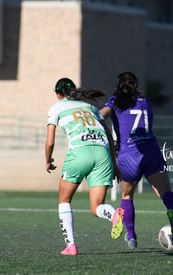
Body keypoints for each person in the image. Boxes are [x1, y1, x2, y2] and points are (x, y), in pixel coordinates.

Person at [100, 71, 173, 249]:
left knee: (127, 195)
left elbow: (100, 116)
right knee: (165, 192)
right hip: (151, 151)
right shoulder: (145, 101)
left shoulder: (116, 102)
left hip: (128, 154)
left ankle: (131, 237)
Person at [45, 77, 124, 256]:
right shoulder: (91, 108)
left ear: (58, 94)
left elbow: (50, 142)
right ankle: (112, 214)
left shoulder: (57, 107)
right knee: (97, 207)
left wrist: (48, 160)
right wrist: (114, 162)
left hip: (80, 151)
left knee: (64, 200)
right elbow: (108, 135)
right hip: (103, 153)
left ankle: (71, 245)